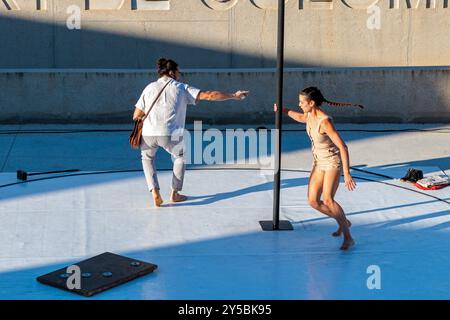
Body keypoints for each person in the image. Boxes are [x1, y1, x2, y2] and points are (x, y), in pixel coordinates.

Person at [133, 58, 249, 207]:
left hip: (148, 133)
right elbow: (209, 95)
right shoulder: (181, 88)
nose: (180, 74)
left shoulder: (149, 87)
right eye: (178, 72)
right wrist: (234, 95)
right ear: (171, 73)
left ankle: (154, 191)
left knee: (147, 158)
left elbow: (136, 115)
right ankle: (175, 193)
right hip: (170, 133)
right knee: (180, 156)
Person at [274, 87, 364, 250]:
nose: (299, 104)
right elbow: (300, 117)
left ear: (312, 103)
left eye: (302, 102)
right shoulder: (309, 115)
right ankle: (344, 221)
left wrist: (347, 173)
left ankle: (348, 237)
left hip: (331, 162)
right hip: (318, 162)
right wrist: (284, 110)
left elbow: (343, 147)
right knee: (313, 201)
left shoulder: (325, 122)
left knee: (328, 199)